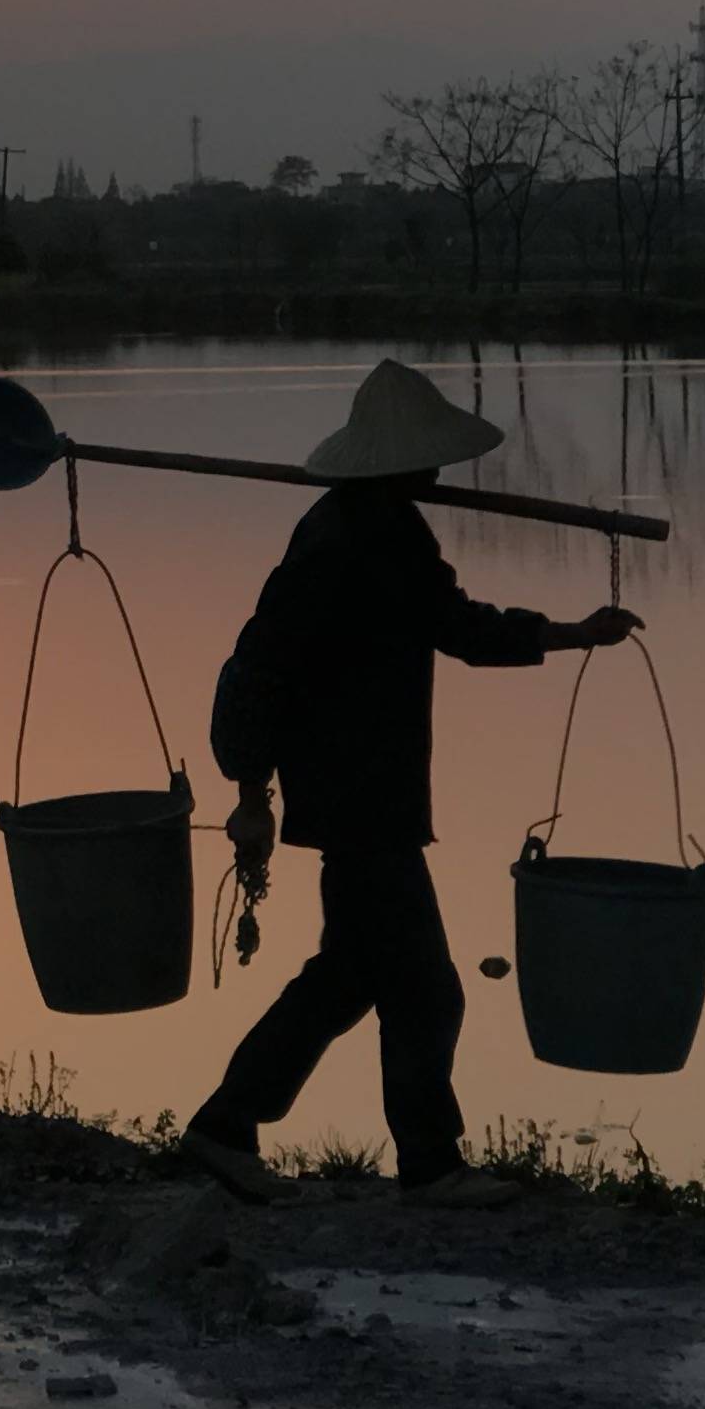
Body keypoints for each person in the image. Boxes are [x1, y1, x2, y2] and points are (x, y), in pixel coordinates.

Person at [179, 361, 637, 1210]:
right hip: (360, 796)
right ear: (397, 465)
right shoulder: (363, 540)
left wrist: (571, 631)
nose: (436, 474)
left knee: (349, 975)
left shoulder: (366, 525)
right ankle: (428, 1164)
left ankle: (225, 1126)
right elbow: (447, 632)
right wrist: (575, 632)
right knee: (426, 987)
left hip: (361, 786)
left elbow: (443, 624)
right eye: (424, 461)